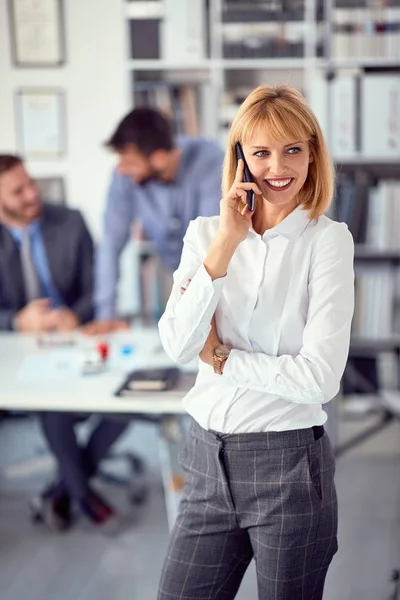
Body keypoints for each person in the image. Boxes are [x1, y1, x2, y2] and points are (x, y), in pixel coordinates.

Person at [157, 85, 355, 599]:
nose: (278, 167)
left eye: (293, 149)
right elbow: (178, 347)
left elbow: (319, 379)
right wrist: (225, 244)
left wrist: (223, 359)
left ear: (313, 152)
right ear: (240, 158)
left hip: (288, 468)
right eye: (261, 151)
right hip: (205, 459)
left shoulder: (327, 241)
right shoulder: (205, 234)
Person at [0, 155, 127, 530]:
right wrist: (17, 320)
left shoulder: (70, 221)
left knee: (125, 401)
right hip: (22, 352)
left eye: (31, 184)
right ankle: (83, 494)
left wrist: (76, 314)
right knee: (49, 400)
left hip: (78, 338)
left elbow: (96, 287)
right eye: (17, 191)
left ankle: (67, 486)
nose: (31, 194)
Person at [83, 107, 224, 335]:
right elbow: (110, 244)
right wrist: (105, 315)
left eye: (128, 161)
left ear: (159, 158)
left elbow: (211, 243)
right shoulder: (124, 178)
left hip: (217, 277)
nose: (121, 169)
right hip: (171, 275)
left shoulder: (210, 161)